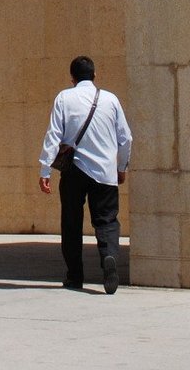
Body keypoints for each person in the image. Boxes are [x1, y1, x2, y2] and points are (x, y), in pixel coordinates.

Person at [38, 55, 132, 294]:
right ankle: (109, 256)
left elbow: (53, 135)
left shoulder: (64, 98)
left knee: (71, 222)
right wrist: (121, 168)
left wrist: (45, 169)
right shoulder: (110, 100)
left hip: (74, 171)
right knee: (107, 220)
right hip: (104, 172)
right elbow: (126, 138)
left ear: (72, 77)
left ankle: (74, 275)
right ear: (95, 75)